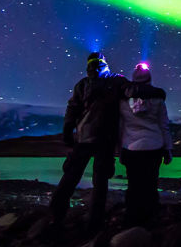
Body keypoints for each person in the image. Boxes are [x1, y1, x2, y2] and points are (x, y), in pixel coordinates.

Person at [49, 52, 129, 231]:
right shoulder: (116, 81)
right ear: (104, 63)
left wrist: (68, 130)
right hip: (106, 139)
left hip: (84, 137)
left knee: (70, 176)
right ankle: (95, 222)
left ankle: (55, 215)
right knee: (100, 181)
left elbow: (73, 108)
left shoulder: (83, 84)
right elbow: (131, 91)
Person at [118, 62, 172, 226]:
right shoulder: (158, 100)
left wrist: (119, 150)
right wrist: (168, 149)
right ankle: (150, 219)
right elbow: (164, 125)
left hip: (131, 148)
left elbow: (120, 127)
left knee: (133, 184)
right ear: (149, 79)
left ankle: (132, 219)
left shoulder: (122, 101)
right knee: (150, 184)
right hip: (154, 147)